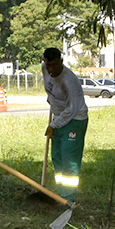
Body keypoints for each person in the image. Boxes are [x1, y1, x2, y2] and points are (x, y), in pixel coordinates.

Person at [41, 47, 88, 201]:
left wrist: (54, 125)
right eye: (48, 65)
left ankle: (70, 196)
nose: (51, 69)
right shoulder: (45, 69)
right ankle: (61, 193)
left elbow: (72, 110)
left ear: (61, 62)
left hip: (75, 119)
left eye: (55, 65)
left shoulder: (69, 81)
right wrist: (52, 100)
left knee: (69, 159)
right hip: (58, 117)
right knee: (57, 156)